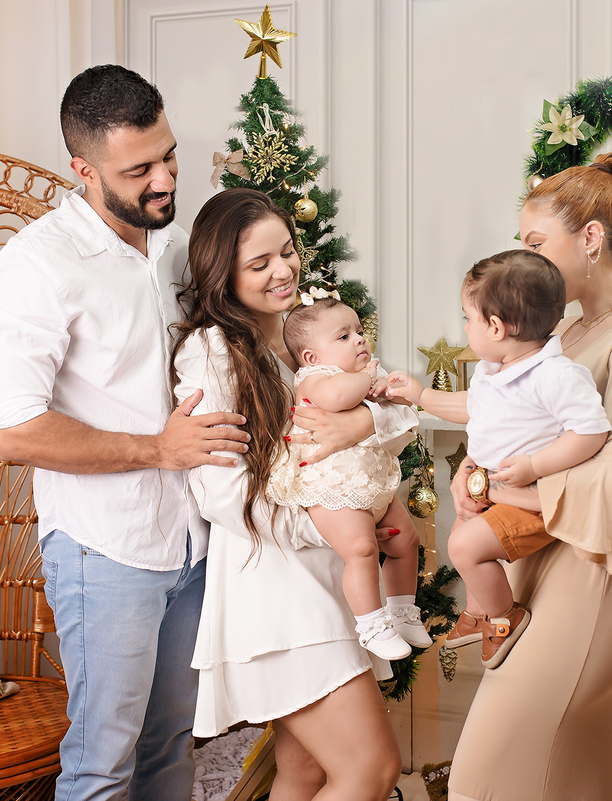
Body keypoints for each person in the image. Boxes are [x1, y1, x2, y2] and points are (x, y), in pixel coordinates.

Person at [0, 65, 250, 801]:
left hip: (193, 541)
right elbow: (10, 430)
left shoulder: (176, 242)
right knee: (101, 766)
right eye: (139, 170)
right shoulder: (37, 266)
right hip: (106, 550)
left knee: (172, 746)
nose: (164, 179)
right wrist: (156, 450)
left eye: (169, 156)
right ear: (84, 169)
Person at [445, 154, 612, 801]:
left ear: (591, 239)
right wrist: (473, 471)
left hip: (593, 585)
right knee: (583, 784)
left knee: (481, 785)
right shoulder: (567, 333)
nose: (524, 261)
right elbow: (515, 426)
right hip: (539, 569)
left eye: (535, 243)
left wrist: (499, 487)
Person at [172, 188, 418, 801]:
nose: (283, 271)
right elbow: (221, 492)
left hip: (325, 580)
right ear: (222, 274)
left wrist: (361, 424)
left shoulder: (307, 337)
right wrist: (332, 526)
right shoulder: (211, 353)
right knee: (371, 770)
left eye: (286, 252)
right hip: (278, 592)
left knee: (305, 773)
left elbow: (397, 410)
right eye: (260, 263)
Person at [387, 250, 610, 669]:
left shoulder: (555, 375)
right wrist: (421, 396)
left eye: (468, 318)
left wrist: (536, 466)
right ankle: (477, 613)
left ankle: (505, 616)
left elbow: (591, 431)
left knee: (465, 546)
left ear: (495, 326)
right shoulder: (495, 370)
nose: (465, 327)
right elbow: (473, 407)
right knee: (463, 531)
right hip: (494, 490)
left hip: (530, 497)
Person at [269, 295, 432, 661]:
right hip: (332, 488)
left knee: (406, 540)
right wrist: (368, 378)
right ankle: (371, 625)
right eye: (344, 336)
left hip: (370, 482)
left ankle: (402, 611)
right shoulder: (315, 378)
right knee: (361, 549)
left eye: (358, 331)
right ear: (312, 357)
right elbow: (337, 397)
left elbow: (403, 412)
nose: (359, 339)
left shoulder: (362, 375)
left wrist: (388, 393)